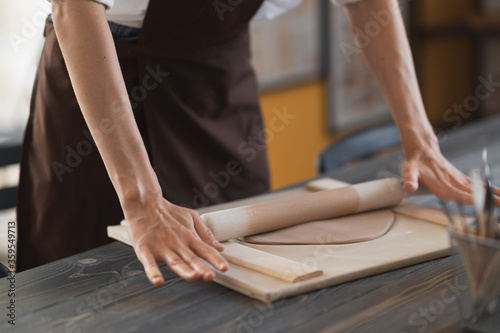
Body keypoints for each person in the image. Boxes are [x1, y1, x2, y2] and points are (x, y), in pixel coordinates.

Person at [17, 0, 478, 285]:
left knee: (244, 272)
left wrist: (420, 142)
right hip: (102, 82)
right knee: (96, 283)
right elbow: (74, 5)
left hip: (218, 80)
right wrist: (141, 199)